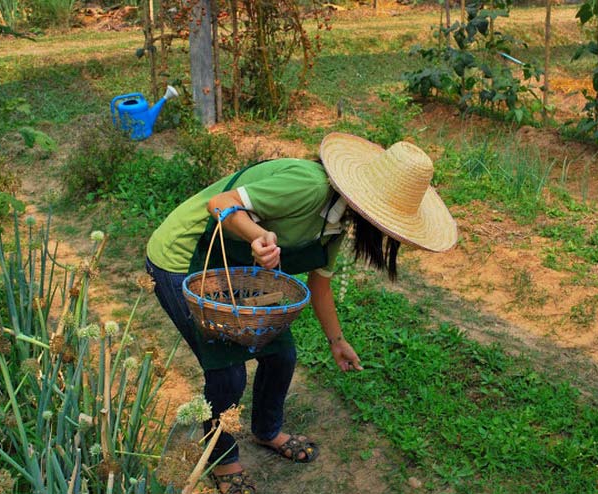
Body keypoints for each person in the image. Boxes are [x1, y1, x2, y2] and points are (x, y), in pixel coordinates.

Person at [145, 132, 457, 493]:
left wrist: (337, 341)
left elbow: (319, 284)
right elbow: (220, 203)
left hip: (238, 266)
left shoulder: (337, 225)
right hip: (184, 258)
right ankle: (222, 460)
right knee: (227, 370)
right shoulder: (307, 186)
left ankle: (267, 430)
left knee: (281, 355)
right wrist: (256, 235)